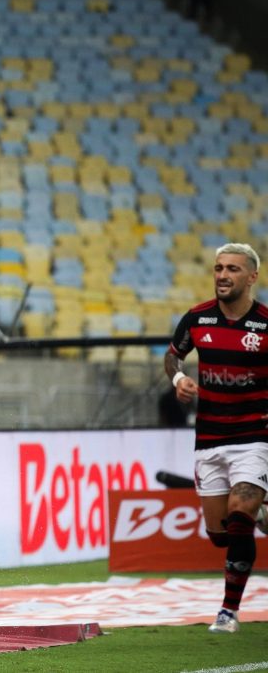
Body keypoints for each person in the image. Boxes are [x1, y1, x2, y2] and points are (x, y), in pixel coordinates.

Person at [165, 242, 268, 633]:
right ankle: (260, 510)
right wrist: (178, 377)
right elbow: (172, 355)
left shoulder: (264, 325)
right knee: (219, 536)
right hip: (209, 439)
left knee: (238, 519)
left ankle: (228, 611)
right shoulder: (197, 318)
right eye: (219, 268)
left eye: (233, 269)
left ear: (252, 276)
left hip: (254, 436)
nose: (223, 275)